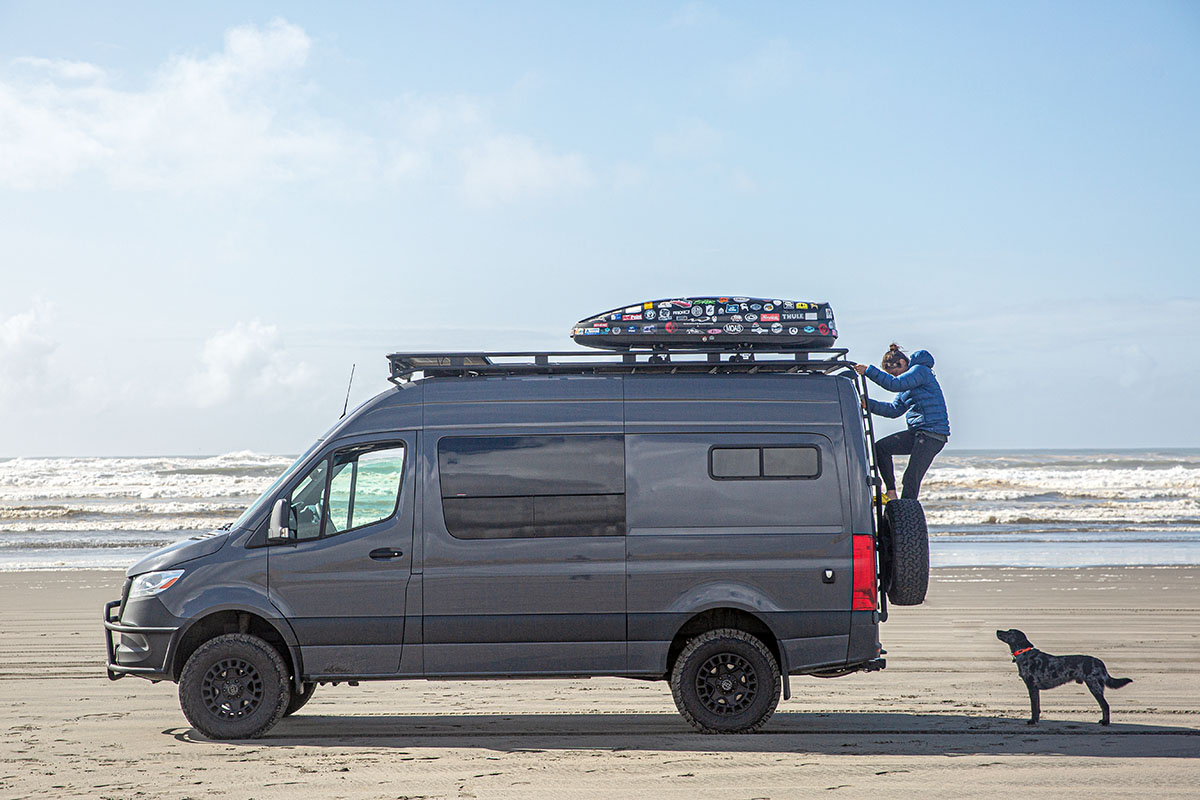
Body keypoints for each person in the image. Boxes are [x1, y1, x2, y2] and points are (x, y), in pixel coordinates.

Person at [853, 343, 950, 501]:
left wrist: (869, 371)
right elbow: (894, 410)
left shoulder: (920, 371)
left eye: (895, 372)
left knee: (911, 477)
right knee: (881, 448)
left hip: (932, 434)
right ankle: (891, 493)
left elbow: (893, 384)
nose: (896, 376)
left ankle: (906, 512)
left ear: (903, 363)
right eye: (891, 374)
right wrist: (868, 404)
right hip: (917, 433)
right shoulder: (906, 385)